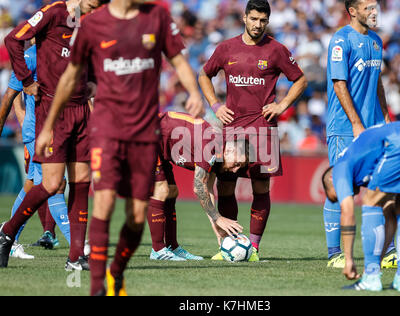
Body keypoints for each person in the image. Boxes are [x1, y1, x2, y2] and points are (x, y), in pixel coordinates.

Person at [35, 0, 204, 296]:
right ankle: (98, 287)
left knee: (138, 216)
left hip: (143, 131)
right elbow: (71, 76)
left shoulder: (157, 18)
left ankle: (116, 271)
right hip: (106, 129)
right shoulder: (92, 24)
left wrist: (194, 92)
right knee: (104, 202)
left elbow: (178, 60)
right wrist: (48, 125)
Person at [198, 0, 307, 261]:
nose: (258, 25)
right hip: (232, 129)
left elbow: (300, 79)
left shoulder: (277, 50)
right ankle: (229, 244)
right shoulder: (226, 48)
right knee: (225, 188)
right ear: (245, 18)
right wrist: (215, 105)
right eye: (254, 19)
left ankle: (254, 248)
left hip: (263, 129)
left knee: (261, 188)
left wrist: (281, 105)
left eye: (263, 21)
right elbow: (204, 75)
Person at [0, 0, 104, 271]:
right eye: (91, 5)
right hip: (53, 110)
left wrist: (92, 81)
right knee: (51, 184)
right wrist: (26, 80)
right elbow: (13, 39)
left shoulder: (90, 22)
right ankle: (7, 233)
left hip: (82, 110)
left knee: (82, 183)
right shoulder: (53, 12)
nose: (93, 12)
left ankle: (75, 258)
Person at [321, 121, 400, 292]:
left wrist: (349, 259)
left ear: (331, 181)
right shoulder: (369, 163)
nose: (348, 195)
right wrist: (378, 260)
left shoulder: (340, 167)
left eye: (335, 196)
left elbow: (347, 212)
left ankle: (371, 279)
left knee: (370, 201)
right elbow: (389, 213)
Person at [323, 0, 392, 268]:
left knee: (382, 186)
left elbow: (378, 82)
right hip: (344, 127)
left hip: (373, 126)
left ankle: (390, 252)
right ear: (352, 11)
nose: (373, 12)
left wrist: (385, 116)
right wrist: (355, 123)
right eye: (368, 8)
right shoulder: (340, 41)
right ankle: (334, 254)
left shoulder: (376, 41)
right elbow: (339, 84)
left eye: (375, 7)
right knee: (342, 188)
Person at [0, 44, 71, 258]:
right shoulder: (29, 57)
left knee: (32, 186)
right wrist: (24, 122)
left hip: (55, 130)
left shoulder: (63, 51)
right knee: (55, 185)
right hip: (37, 133)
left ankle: (8, 236)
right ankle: (79, 247)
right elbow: (11, 98)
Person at [147, 111, 243, 261]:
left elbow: (208, 188)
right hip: (148, 135)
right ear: (229, 150)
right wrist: (218, 218)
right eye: (237, 163)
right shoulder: (211, 145)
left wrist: (216, 226)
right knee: (161, 190)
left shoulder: (219, 149)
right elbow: (198, 187)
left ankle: (172, 246)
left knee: (171, 192)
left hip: (160, 142)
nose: (236, 170)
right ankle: (158, 250)